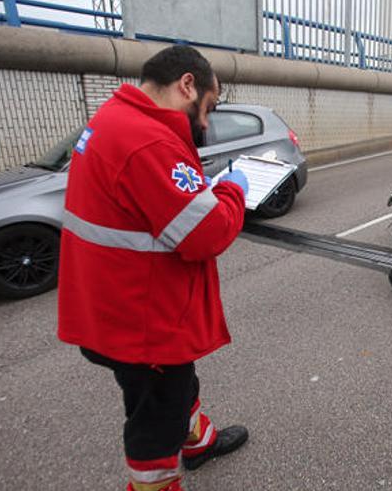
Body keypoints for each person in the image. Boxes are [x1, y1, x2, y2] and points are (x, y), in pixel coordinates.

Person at [58, 45, 251, 491]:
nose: (205, 124)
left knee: (179, 382)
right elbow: (206, 234)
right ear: (187, 84)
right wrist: (233, 191)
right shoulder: (150, 140)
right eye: (208, 108)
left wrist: (203, 191)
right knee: (155, 419)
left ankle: (198, 442)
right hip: (142, 321)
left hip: (113, 303)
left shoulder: (114, 117)